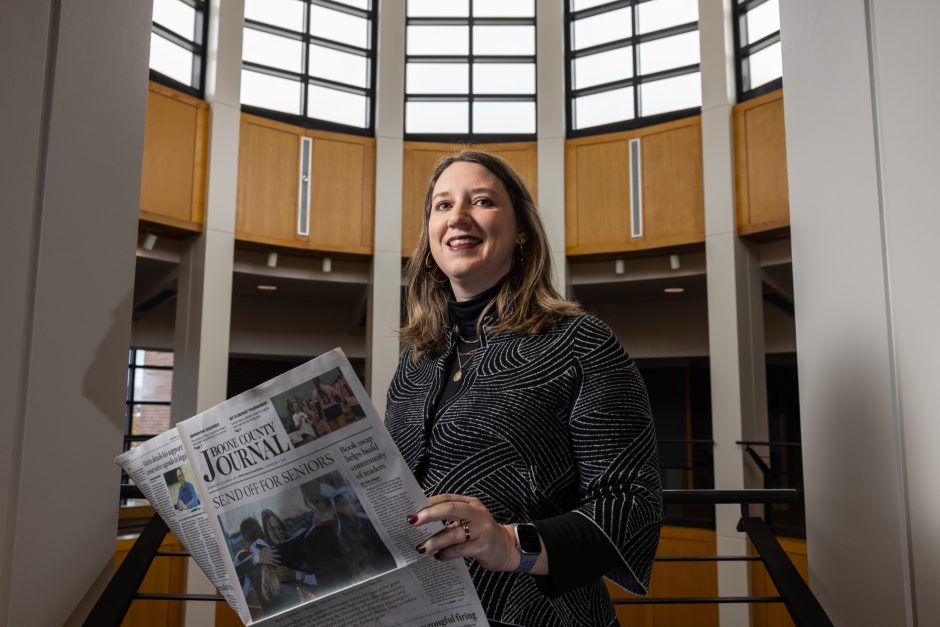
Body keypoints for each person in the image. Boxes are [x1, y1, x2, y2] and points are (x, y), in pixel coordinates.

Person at [385, 150, 663, 627]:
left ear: (521, 232)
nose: (458, 216)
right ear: (430, 234)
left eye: (482, 201)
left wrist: (512, 544)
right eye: (443, 205)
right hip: (417, 612)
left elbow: (631, 505)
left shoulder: (580, 341)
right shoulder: (416, 361)